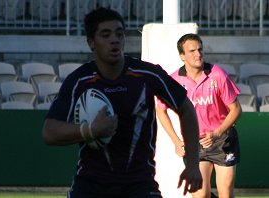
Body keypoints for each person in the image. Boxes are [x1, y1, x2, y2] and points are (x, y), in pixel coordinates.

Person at [42, 7, 202, 198]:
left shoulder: (148, 75)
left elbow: (186, 108)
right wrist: (90, 131)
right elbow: (49, 132)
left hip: (139, 184)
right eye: (106, 34)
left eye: (119, 33)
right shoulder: (79, 81)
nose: (114, 39)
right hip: (91, 185)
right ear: (91, 43)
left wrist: (192, 165)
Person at [156, 33, 242, 198]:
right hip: (195, 144)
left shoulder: (217, 74)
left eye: (200, 49)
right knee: (200, 194)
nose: (198, 54)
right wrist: (176, 141)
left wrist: (217, 132)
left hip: (223, 140)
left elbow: (236, 109)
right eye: (192, 51)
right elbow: (160, 109)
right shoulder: (174, 80)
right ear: (182, 56)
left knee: (226, 193)